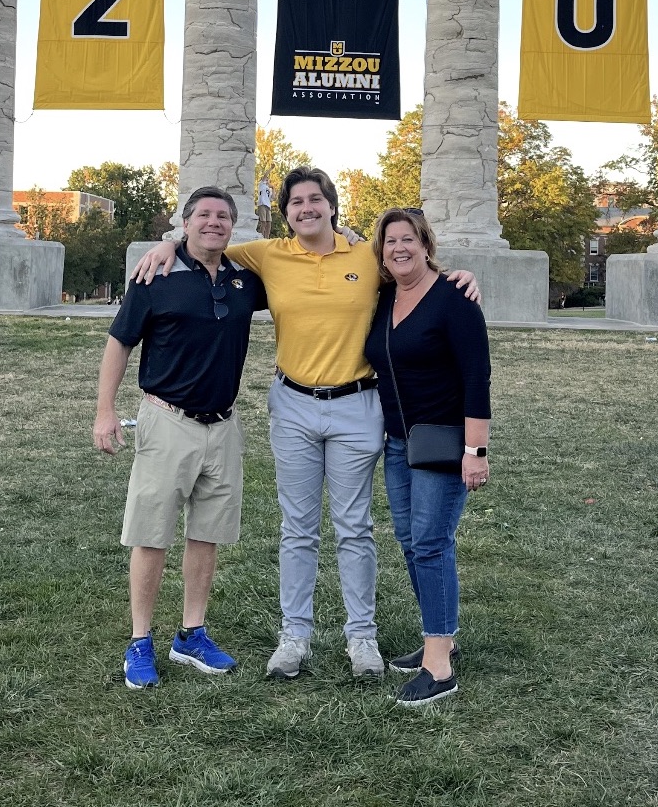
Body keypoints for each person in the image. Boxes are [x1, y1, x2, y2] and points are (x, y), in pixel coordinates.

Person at [134, 168, 479, 681]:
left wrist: (461, 276)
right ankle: (293, 637)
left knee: (354, 527)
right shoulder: (267, 254)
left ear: (332, 206)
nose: (306, 208)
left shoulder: (366, 255)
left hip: (357, 405)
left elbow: (414, 271)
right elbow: (206, 245)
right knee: (297, 528)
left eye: (315, 199)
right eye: (296, 202)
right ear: (287, 212)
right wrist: (168, 244)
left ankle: (361, 638)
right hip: (293, 404)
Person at [94, 186, 267, 690]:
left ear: (232, 226)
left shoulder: (245, 279)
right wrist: (105, 411)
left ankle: (192, 633)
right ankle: (139, 640)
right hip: (167, 419)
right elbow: (119, 343)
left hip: (224, 424)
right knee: (151, 534)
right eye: (203, 215)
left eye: (223, 216)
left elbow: (307, 264)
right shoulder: (155, 275)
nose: (214, 223)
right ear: (185, 223)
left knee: (206, 533)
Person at [363, 207, 491, 707]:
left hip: (444, 443)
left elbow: (476, 377)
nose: (399, 248)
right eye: (390, 241)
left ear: (425, 244)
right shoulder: (384, 296)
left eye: (408, 239)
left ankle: (439, 668)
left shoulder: (454, 297)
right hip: (399, 443)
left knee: (432, 543)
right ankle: (442, 638)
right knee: (411, 542)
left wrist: (475, 451)